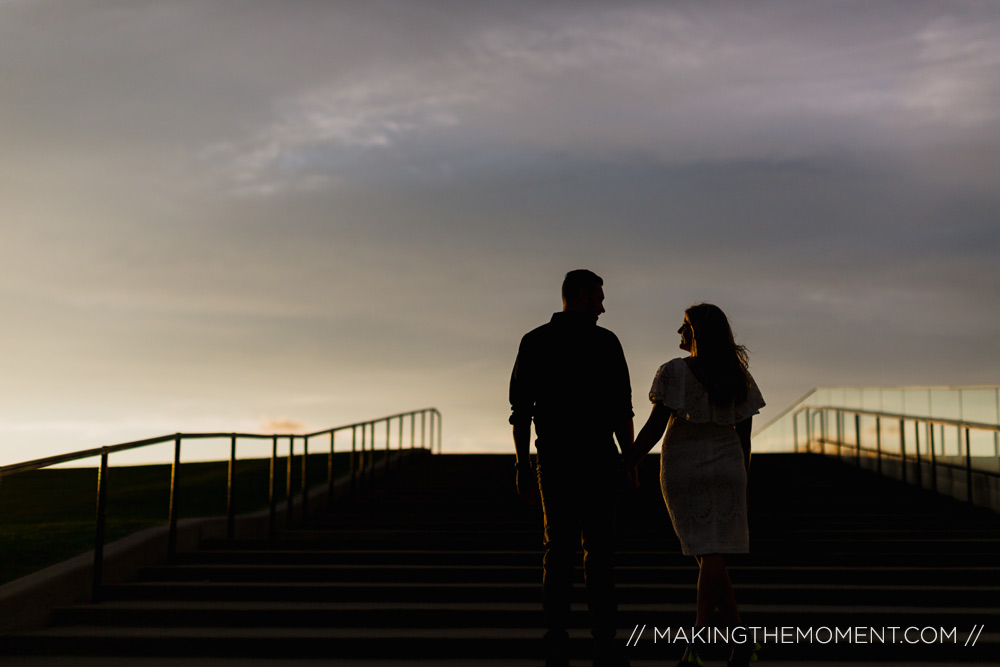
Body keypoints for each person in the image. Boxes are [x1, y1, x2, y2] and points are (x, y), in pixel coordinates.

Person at [624, 303, 764, 667]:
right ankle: (742, 640)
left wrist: (628, 460)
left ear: (699, 332)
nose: (679, 332)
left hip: (683, 465)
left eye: (685, 325)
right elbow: (745, 437)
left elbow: (655, 427)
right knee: (711, 555)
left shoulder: (674, 371)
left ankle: (700, 637)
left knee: (708, 553)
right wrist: (744, 480)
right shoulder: (738, 376)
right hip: (728, 465)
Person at [509, 269, 635, 667]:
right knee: (599, 552)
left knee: (557, 551)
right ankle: (603, 641)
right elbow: (622, 409)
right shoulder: (607, 342)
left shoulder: (535, 342)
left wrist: (522, 464)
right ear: (581, 296)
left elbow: (520, 412)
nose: (602, 306)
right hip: (598, 461)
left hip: (554, 461)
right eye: (598, 298)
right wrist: (629, 458)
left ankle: (557, 639)